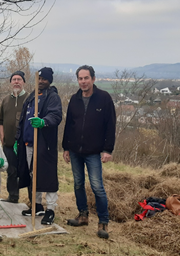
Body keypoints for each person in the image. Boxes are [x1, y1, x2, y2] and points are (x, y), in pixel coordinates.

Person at [62, 65, 116, 239]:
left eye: (86, 78)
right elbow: (69, 124)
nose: (83, 82)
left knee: (97, 187)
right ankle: (83, 215)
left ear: (93, 79)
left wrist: (108, 149)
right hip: (75, 150)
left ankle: (103, 222)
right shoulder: (74, 99)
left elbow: (110, 125)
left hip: (94, 152)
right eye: (80, 78)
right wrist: (65, 147)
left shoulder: (104, 98)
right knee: (78, 183)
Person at [16, 67, 62, 225]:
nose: (41, 81)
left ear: (49, 81)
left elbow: (55, 115)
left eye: (44, 79)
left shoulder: (52, 96)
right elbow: (22, 120)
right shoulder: (31, 96)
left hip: (44, 144)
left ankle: (50, 209)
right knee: (32, 176)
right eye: (39, 79)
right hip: (28, 143)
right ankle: (36, 205)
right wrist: (18, 140)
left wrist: (44, 122)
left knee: (47, 177)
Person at [0, 71, 29, 203]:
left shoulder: (29, 98)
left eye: (19, 79)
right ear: (11, 82)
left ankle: (33, 201)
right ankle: (13, 196)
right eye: (14, 79)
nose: (16, 82)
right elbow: (0, 121)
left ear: (23, 82)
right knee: (11, 171)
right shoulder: (5, 100)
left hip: (25, 144)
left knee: (27, 172)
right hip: (9, 143)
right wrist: (2, 136)